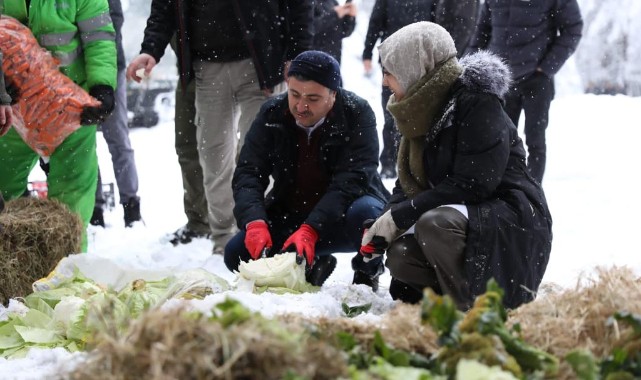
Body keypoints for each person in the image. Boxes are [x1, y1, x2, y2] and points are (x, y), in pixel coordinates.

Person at [360, 22, 552, 310]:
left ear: (416, 68)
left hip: (508, 220)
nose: (385, 82)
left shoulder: (476, 102)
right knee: (400, 255)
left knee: (434, 224)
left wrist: (401, 217)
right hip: (466, 218)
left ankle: (473, 314)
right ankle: (450, 302)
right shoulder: (422, 109)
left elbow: (474, 184)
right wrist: (383, 223)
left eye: (389, 72)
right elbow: (408, 183)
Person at [126, 0, 314, 254]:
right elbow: (163, 9)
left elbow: (300, 6)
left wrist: (297, 53)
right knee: (213, 155)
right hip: (207, 65)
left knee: (261, 155)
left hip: (260, 62)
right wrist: (151, 49)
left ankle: (264, 233)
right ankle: (224, 238)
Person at [225, 51, 389, 288]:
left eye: (312, 98)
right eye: (294, 94)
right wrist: (254, 222)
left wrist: (312, 229)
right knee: (236, 254)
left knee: (367, 219)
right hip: (292, 212)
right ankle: (314, 264)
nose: (301, 106)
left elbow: (352, 180)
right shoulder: (272, 113)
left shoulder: (357, 113)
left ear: (333, 95)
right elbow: (248, 172)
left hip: (344, 214)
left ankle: (367, 270)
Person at [0, 0, 117, 252]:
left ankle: (69, 269)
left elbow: (99, 38)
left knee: (72, 202)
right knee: (3, 187)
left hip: (70, 109)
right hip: (13, 112)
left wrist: (103, 84)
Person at [466, 0, 583, 183]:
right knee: (498, 140)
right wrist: (467, 66)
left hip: (537, 80)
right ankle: (502, 192)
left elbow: (573, 29)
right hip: (501, 80)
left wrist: (545, 68)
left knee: (535, 141)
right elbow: (482, 31)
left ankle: (532, 196)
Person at [91, 0, 142, 228]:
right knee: (84, 142)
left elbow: (113, 22)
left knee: (118, 137)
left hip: (111, 65)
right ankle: (94, 207)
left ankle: (131, 207)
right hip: (77, 68)